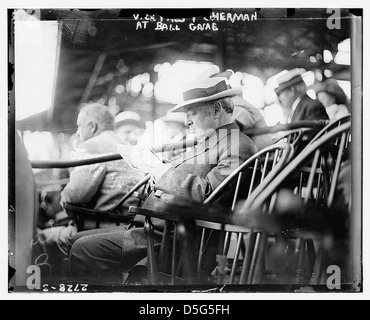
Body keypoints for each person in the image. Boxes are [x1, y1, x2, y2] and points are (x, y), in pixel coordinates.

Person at [68, 75, 258, 284]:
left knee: (81, 248)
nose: (187, 121)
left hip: (172, 242)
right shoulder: (210, 141)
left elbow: (208, 194)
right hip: (155, 230)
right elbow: (181, 181)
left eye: (191, 112)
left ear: (216, 109)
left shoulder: (238, 145)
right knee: (75, 241)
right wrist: (154, 175)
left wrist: (161, 170)